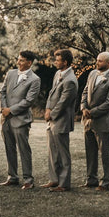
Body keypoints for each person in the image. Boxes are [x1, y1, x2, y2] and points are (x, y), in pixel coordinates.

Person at [0, 50, 41, 190]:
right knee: (9, 148)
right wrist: (4, 110)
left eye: (21, 60)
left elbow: (29, 101)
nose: (18, 62)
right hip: (6, 119)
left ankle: (28, 179)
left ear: (29, 63)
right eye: (18, 59)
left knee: (24, 149)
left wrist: (11, 110)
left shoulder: (35, 79)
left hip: (21, 119)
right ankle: (12, 177)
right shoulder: (11, 73)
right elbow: (2, 92)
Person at [80, 51, 109, 191]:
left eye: (100, 61)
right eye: (97, 60)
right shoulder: (92, 74)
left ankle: (106, 181)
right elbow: (85, 92)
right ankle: (91, 179)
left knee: (105, 152)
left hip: (103, 121)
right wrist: (83, 107)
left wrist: (93, 112)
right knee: (90, 151)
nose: (97, 63)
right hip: (88, 120)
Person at [42, 49, 78, 192]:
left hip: (61, 120)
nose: (55, 62)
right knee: (52, 151)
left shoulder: (70, 80)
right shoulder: (58, 74)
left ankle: (64, 184)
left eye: (57, 60)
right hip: (52, 119)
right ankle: (54, 179)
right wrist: (47, 109)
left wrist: (52, 114)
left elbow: (64, 102)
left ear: (65, 62)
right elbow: (52, 94)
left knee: (63, 153)